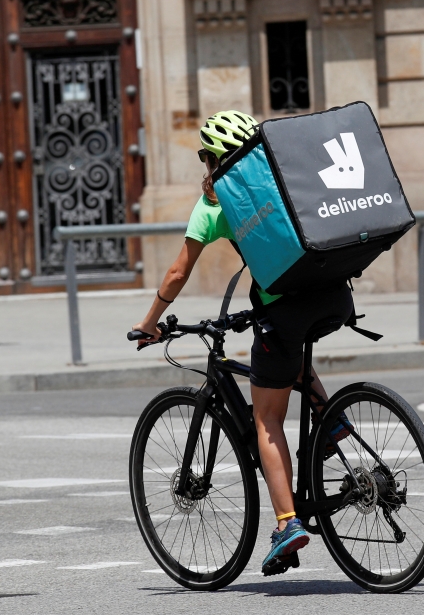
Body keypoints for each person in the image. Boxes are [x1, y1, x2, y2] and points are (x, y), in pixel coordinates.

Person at [131, 110, 355, 576]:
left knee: (266, 418)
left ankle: (288, 523)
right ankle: (330, 419)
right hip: (335, 292)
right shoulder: (285, 173)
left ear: (213, 158)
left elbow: (177, 273)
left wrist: (150, 323)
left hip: (286, 309)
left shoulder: (216, 202)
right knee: (288, 353)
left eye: (205, 157)